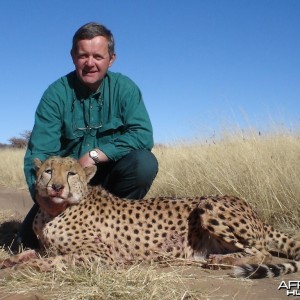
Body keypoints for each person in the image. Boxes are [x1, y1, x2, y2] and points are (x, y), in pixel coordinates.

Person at [19, 22, 158, 249]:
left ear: (111, 59)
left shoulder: (125, 88)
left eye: (98, 56)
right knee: (30, 241)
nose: (90, 63)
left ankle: (117, 231)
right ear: (73, 56)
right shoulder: (56, 94)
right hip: (64, 186)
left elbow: (142, 134)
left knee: (143, 163)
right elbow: (39, 153)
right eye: (83, 56)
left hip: (108, 180)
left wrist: (94, 155)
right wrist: (42, 198)